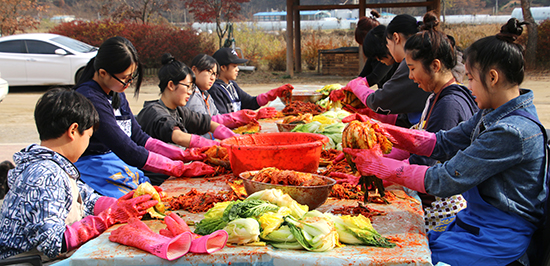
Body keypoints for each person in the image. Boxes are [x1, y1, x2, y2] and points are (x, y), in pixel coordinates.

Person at [343, 19, 548, 265]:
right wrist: (382, 130)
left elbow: (446, 177)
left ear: (492, 77)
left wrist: (380, 167)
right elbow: (442, 142)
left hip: (495, 239)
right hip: (472, 225)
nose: (468, 86)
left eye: (471, 78)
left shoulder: (512, 132)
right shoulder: (492, 114)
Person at [0, 88, 158, 262]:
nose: (87, 143)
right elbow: (53, 242)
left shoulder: (55, 166)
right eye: (89, 136)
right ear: (73, 130)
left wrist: (123, 204)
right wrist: (109, 217)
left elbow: (86, 198)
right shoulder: (45, 174)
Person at [73, 36, 214, 198]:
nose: (129, 83)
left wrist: (183, 155)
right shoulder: (90, 99)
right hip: (94, 169)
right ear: (103, 73)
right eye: (125, 78)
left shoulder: (116, 93)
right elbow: (126, 148)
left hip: (115, 164)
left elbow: (139, 137)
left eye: (131, 77)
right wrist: (177, 167)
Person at [400, 12, 478, 231]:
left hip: (443, 209)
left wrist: (385, 169)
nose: (410, 76)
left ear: (435, 65)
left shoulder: (449, 105)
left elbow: (425, 162)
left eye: (413, 68)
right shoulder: (435, 96)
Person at [337, 14, 432, 128]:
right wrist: (371, 111)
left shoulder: (412, 62)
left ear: (396, 38)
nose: (412, 76)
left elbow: (380, 101)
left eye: (388, 43)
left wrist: (357, 86)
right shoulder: (417, 57)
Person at [136, 53, 237, 149]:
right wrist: (214, 145)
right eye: (187, 86)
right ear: (171, 85)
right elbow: (178, 136)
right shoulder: (154, 112)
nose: (190, 92)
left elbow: (206, 123)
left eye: (192, 87)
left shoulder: (180, 111)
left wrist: (234, 138)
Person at [185, 54, 277, 140]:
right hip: (199, 144)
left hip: (210, 141)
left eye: (214, 74)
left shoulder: (206, 94)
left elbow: (218, 117)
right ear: (194, 70)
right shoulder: (193, 95)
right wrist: (238, 119)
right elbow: (206, 122)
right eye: (209, 72)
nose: (212, 78)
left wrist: (271, 95)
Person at [209, 47, 293, 114]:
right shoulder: (215, 90)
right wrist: (254, 116)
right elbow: (223, 119)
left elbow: (250, 103)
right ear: (223, 67)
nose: (237, 69)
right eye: (234, 66)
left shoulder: (232, 85)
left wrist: (271, 94)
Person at [355, 10, 395, 88]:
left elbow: (376, 76)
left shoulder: (388, 53)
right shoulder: (375, 53)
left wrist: (357, 87)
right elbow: (364, 74)